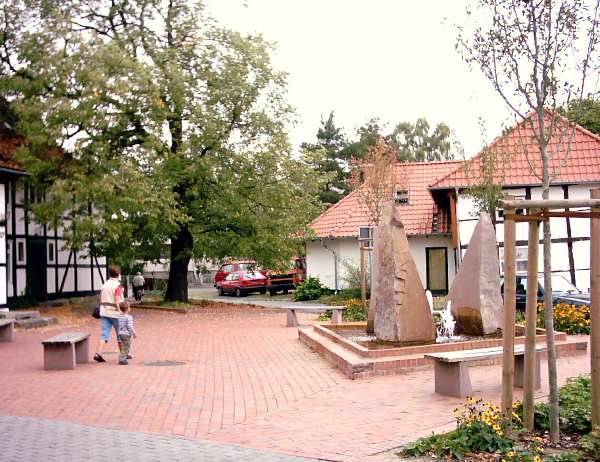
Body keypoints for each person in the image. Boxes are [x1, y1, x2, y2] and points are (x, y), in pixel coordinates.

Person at [94, 265, 129, 363]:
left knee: (104, 334)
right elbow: (118, 301)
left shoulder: (105, 284)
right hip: (115, 314)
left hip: (104, 312)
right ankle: (123, 355)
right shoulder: (117, 286)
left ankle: (98, 353)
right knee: (120, 334)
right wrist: (121, 312)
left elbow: (100, 297)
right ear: (118, 275)